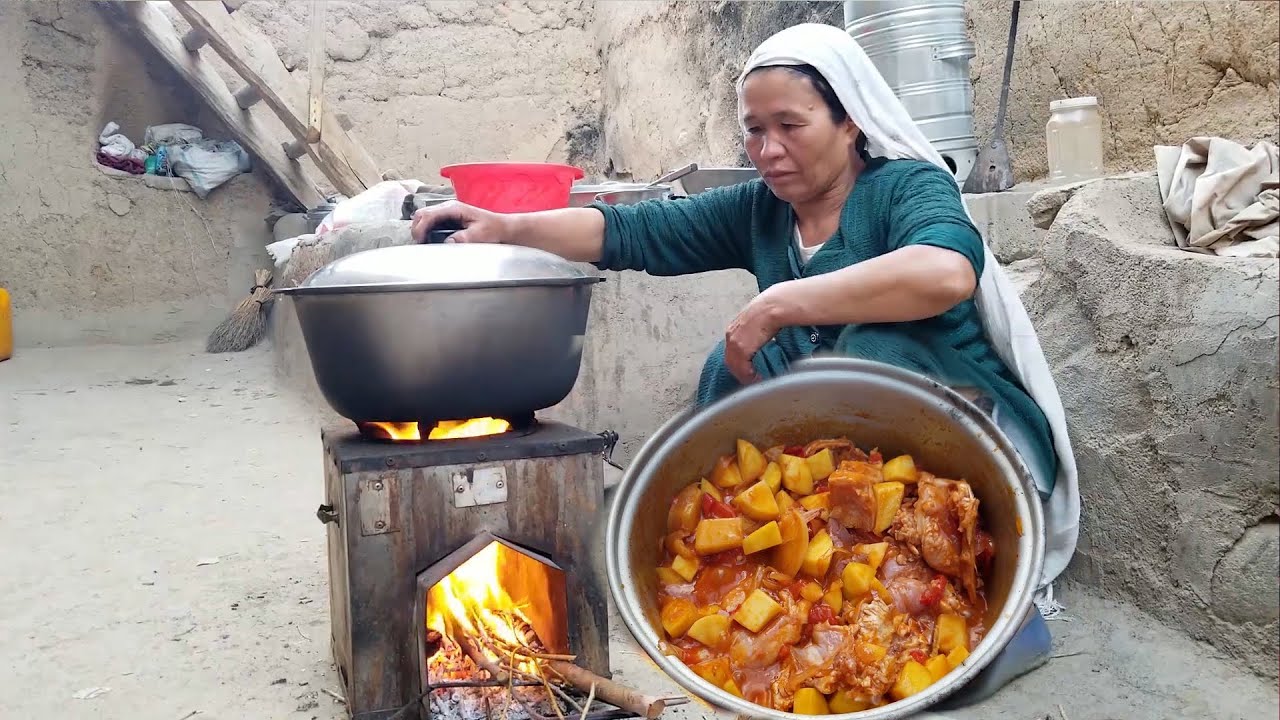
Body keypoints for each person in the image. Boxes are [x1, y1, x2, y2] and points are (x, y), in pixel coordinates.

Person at [413, 23, 1080, 706]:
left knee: (861, 355)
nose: (768, 150)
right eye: (755, 131)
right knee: (736, 368)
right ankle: (767, 570)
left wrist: (783, 301)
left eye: (790, 125)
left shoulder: (905, 187)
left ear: (849, 120)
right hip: (835, 444)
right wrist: (505, 225)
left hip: (952, 420)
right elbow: (632, 230)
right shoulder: (763, 209)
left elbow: (945, 273)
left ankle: (981, 616)